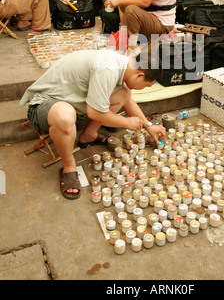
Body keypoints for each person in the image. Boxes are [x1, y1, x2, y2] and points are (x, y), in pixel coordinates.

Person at [20, 48, 166, 199]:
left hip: (71, 100)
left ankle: (88, 135)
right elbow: (95, 113)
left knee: (124, 93)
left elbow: (126, 100)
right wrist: (126, 122)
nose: (145, 88)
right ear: (139, 75)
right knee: (65, 116)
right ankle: (69, 166)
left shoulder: (123, 64)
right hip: (44, 104)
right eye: (147, 85)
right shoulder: (108, 68)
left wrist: (148, 126)